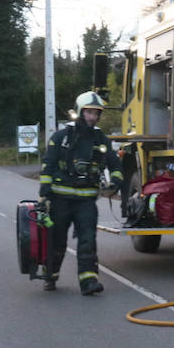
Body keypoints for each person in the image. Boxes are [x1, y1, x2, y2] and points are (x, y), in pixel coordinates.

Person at [38, 91, 123, 294]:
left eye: (96, 113)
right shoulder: (61, 138)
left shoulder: (100, 139)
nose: (92, 117)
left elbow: (115, 164)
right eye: (89, 112)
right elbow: (47, 167)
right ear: (79, 112)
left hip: (86, 202)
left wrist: (116, 182)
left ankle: (89, 282)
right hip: (60, 200)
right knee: (57, 241)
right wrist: (44, 196)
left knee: (88, 241)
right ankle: (50, 275)